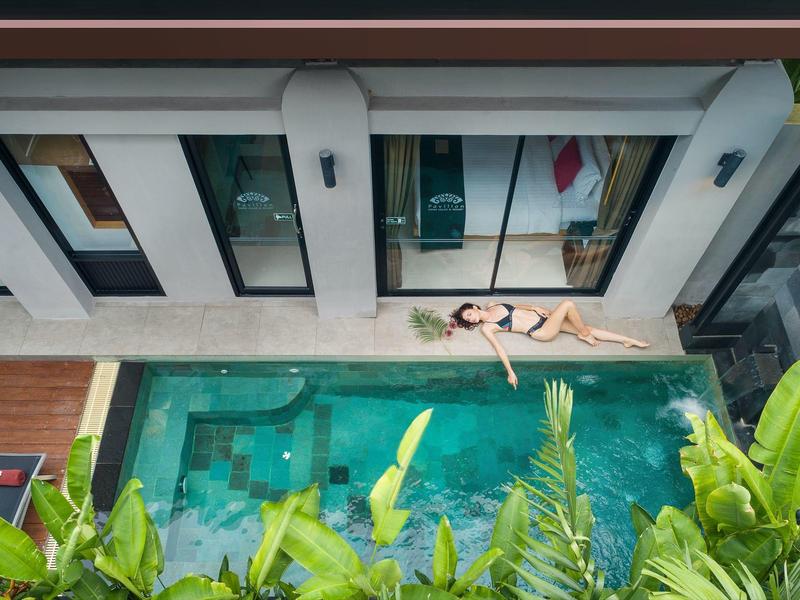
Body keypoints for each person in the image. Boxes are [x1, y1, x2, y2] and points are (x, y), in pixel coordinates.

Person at [450, 300, 649, 389]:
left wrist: (535, 307)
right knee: (568, 305)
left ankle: (628, 341)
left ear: (474, 307)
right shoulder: (488, 328)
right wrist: (510, 372)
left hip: (543, 317)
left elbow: (518, 307)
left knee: (584, 325)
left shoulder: (492, 305)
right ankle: (585, 334)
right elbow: (499, 348)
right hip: (542, 331)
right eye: (469, 320)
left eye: (469, 314)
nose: (472, 319)